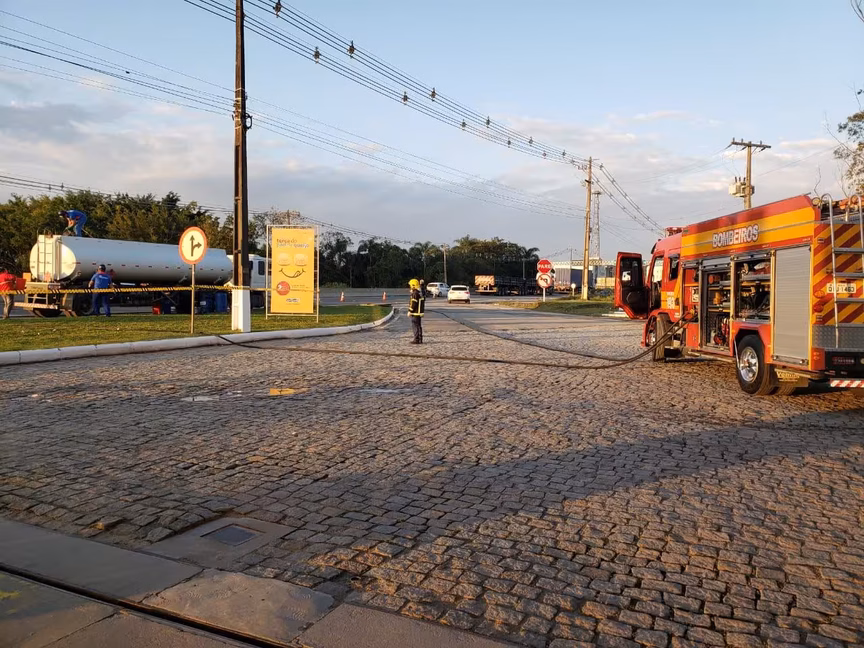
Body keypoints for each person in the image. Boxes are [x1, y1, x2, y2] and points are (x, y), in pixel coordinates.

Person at [408, 278, 425, 344]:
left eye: (410, 286)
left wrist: (410, 311)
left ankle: (416, 339)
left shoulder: (415, 294)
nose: (409, 287)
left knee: (415, 326)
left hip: (415, 313)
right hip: (419, 312)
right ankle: (420, 339)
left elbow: (413, 303)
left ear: (413, 286)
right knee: (418, 326)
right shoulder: (419, 293)